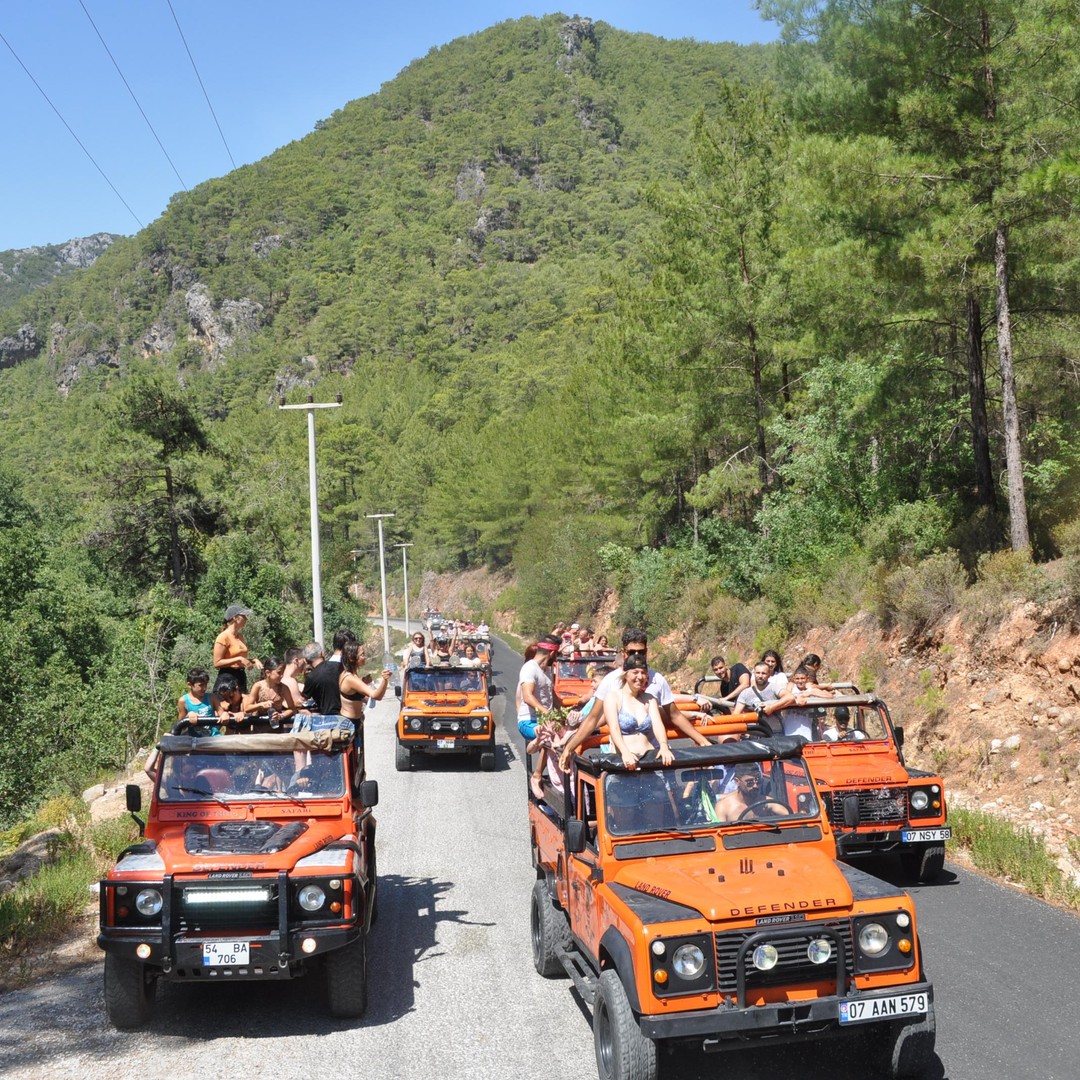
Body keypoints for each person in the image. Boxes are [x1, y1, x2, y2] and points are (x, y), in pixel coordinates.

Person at [558, 629, 711, 761]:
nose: (637, 655)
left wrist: (702, 741)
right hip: (623, 756)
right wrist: (570, 747)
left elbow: (674, 715)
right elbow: (593, 718)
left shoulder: (657, 680)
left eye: (641, 652)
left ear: (647, 651)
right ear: (624, 652)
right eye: (632, 652)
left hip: (654, 753)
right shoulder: (610, 681)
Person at [604, 653, 675, 768]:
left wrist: (664, 746)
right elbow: (614, 728)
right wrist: (625, 752)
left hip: (649, 759)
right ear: (626, 674)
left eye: (643, 673)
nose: (640, 677)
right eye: (635, 672)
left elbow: (658, 725)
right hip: (624, 761)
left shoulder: (650, 699)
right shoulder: (613, 697)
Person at [517, 634, 562, 740]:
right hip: (528, 721)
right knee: (551, 736)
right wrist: (547, 713)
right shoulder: (529, 668)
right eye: (556, 654)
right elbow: (528, 697)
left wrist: (563, 713)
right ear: (552, 653)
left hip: (546, 721)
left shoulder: (547, 670)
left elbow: (553, 697)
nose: (556, 658)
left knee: (569, 734)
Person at [338, 641, 392, 728]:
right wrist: (385, 680)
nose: (365, 657)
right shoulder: (350, 678)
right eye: (362, 655)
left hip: (353, 721)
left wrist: (363, 682)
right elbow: (376, 696)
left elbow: (353, 690)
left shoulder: (348, 674)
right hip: (349, 723)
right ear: (352, 658)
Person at [304, 629, 355, 716]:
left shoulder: (312, 676)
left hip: (326, 720)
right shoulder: (345, 668)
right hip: (349, 718)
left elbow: (304, 699)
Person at [713, 763, 790, 821]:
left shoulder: (765, 802)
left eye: (758, 781)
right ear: (737, 781)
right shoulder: (723, 807)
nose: (755, 786)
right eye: (750, 782)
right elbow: (719, 835)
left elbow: (790, 816)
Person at [213, 604, 263, 692]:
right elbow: (217, 663)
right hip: (227, 679)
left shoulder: (240, 637)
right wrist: (239, 659)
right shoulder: (223, 637)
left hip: (240, 677)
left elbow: (241, 661)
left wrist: (254, 660)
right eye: (244, 616)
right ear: (235, 618)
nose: (246, 619)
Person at [244, 656, 301, 729]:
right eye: (279, 673)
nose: (281, 676)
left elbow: (292, 709)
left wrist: (281, 716)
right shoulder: (258, 686)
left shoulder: (284, 688)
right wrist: (261, 705)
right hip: (259, 728)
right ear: (268, 673)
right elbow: (247, 708)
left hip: (276, 728)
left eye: (282, 673)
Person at [733, 663, 784, 733]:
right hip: (754, 734)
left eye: (763, 673)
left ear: (769, 674)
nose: (760, 676)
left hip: (775, 732)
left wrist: (772, 707)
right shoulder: (745, 693)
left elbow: (789, 697)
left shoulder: (774, 687)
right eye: (758, 673)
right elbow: (736, 714)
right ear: (754, 673)